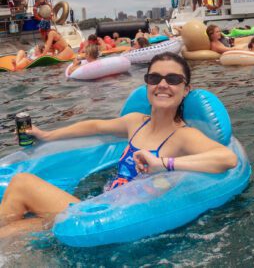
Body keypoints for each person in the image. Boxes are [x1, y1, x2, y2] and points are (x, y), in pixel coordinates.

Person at [0, 53, 238, 237]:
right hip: (103, 207)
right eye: (154, 78)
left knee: (22, 183)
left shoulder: (183, 136)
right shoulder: (136, 122)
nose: (163, 84)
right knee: (14, 230)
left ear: (185, 90)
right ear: (147, 85)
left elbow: (227, 159)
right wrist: (48, 135)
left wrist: (164, 163)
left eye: (173, 79)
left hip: (121, 216)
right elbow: (94, 126)